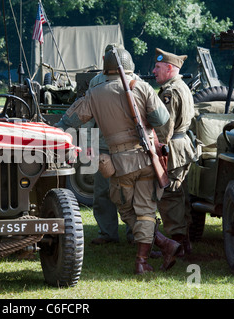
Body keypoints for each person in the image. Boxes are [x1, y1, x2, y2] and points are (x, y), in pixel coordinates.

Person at [55, 47, 182, 274]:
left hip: (119, 162)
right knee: (145, 211)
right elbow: (161, 119)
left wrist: (54, 132)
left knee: (126, 209)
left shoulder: (95, 91)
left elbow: (70, 119)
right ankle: (157, 250)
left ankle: (150, 254)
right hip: (145, 158)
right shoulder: (141, 86)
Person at [88, 43, 134, 245]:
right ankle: (108, 233)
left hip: (124, 145)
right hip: (104, 144)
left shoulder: (132, 80)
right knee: (103, 192)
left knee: (129, 191)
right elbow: (90, 115)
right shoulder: (96, 81)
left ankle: (135, 233)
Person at [152, 48, 196, 257]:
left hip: (173, 148)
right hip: (183, 146)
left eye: (158, 67)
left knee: (170, 197)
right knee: (180, 195)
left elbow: (164, 127)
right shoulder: (182, 86)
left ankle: (176, 245)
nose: (153, 71)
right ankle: (183, 242)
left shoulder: (170, 91)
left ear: (170, 68)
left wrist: (157, 150)